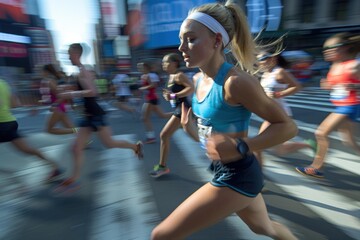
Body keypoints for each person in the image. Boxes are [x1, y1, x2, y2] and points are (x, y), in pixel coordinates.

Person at [151, 2, 298, 240]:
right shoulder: (198, 80)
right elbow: (211, 139)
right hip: (225, 170)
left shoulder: (236, 82)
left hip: (237, 175)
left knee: (161, 235)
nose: (181, 48)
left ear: (217, 41)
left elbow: (288, 127)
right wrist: (190, 128)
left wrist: (243, 146)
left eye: (190, 39)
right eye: (181, 39)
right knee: (265, 228)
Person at [55, 43, 144, 193]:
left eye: (69, 53)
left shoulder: (84, 71)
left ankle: (135, 147)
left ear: (77, 54)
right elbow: (83, 91)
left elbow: (92, 91)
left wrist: (70, 94)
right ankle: (74, 179)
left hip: (95, 114)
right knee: (76, 147)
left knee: (109, 143)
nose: (68, 56)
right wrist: (66, 93)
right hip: (87, 115)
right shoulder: (79, 72)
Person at [296, 32, 360, 178]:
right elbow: (336, 85)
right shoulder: (335, 66)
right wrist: (329, 85)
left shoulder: (354, 66)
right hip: (342, 105)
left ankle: (316, 167)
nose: (327, 51)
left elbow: (353, 85)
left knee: (321, 133)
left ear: (344, 48)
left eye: (332, 47)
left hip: (351, 105)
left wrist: (354, 86)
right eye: (325, 48)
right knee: (349, 141)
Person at [255, 51, 317, 167]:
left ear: (272, 59)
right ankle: (308, 144)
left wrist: (279, 94)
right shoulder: (265, 74)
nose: (260, 62)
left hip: (280, 114)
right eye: (258, 60)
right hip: (270, 114)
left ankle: (258, 177)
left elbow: (297, 86)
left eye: (262, 58)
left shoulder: (280, 72)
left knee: (257, 146)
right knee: (280, 150)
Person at [0, 79, 62, 183]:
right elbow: (14, 104)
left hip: (1, 124)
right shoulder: (4, 83)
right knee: (26, 149)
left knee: (26, 149)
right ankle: (54, 166)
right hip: (9, 122)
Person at [149, 53, 194, 177]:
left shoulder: (179, 75)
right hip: (178, 109)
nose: (163, 64)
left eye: (166, 62)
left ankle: (162, 167)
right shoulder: (170, 76)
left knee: (164, 135)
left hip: (184, 109)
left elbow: (191, 88)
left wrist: (173, 95)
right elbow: (174, 94)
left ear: (174, 63)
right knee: (197, 136)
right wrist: (168, 96)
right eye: (162, 62)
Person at [137, 61, 172, 144]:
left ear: (146, 68)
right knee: (162, 115)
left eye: (141, 67)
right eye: (139, 68)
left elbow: (154, 85)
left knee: (145, 118)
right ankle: (181, 114)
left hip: (151, 98)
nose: (140, 69)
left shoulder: (152, 75)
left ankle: (151, 137)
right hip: (149, 98)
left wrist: (143, 88)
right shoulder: (143, 76)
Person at [39, 64, 78, 135]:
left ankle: (78, 131)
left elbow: (61, 95)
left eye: (42, 71)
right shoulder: (47, 81)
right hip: (59, 107)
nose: (41, 73)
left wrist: (54, 105)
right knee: (70, 127)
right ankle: (84, 140)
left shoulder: (50, 82)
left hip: (58, 107)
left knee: (49, 130)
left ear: (46, 72)